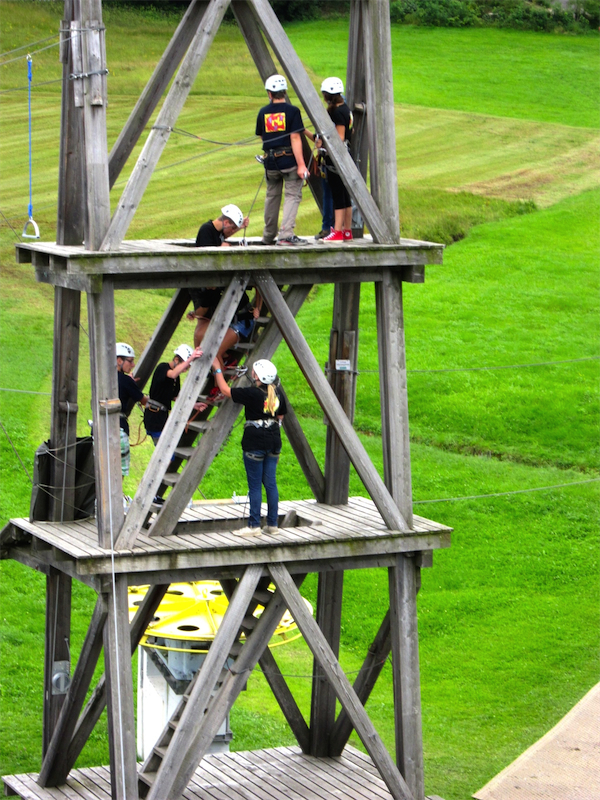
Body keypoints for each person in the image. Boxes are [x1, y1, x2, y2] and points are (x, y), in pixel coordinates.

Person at [211, 357, 286, 536]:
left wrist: (217, 368)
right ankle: (272, 524)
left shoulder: (252, 393)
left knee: (255, 486)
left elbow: (225, 390)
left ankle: (254, 526)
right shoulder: (277, 393)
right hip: (274, 441)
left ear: (257, 376)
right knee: (270, 483)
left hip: (255, 442)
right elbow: (280, 416)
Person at [256, 74, 310, 247]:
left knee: (272, 196)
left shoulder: (263, 112)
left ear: (269, 94)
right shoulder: (292, 111)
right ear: (285, 92)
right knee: (292, 195)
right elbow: (295, 138)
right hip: (288, 161)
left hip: (270, 162)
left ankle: (268, 235)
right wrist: (301, 165)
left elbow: (262, 136)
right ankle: (286, 235)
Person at [315, 77, 353, 244]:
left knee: (338, 196)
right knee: (345, 196)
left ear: (328, 96)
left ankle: (337, 232)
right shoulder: (346, 109)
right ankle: (347, 231)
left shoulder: (337, 113)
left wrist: (322, 142)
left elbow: (340, 137)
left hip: (336, 160)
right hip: (346, 157)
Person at [143, 345, 203, 445]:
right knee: (164, 448)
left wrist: (193, 404)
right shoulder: (162, 368)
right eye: (185, 367)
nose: (185, 370)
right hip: (154, 415)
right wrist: (190, 359)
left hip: (162, 416)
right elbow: (172, 374)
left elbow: (175, 397)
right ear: (176, 360)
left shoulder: (176, 378)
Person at [116, 343, 148, 477]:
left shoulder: (102, 378)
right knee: (120, 472)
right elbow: (144, 401)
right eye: (130, 361)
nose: (133, 365)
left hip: (97, 430)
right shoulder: (126, 381)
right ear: (119, 360)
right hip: (118, 429)